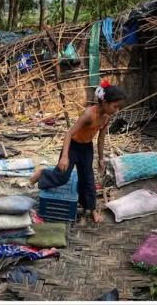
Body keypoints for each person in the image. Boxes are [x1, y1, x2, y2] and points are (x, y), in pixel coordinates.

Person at [30, 80, 125, 223]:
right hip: (73, 146)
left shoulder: (106, 117)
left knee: (88, 179)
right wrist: (64, 157)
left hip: (86, 148)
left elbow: (101, 139)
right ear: (105, 102)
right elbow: (69, 134)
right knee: (62, 177)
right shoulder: (88, 114)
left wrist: (100, 159)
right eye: (115, 106)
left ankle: (91, 209)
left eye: (118, 107)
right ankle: (42, 174)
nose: (116, 110)